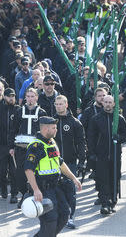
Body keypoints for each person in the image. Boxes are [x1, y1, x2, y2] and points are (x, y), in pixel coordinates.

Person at [24, 116, 82, 237]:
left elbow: (60, 163)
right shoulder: (36, 146)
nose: (56, 130)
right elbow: (28, 169)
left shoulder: (51, 142)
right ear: (45, 128)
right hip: (44, 189)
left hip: (56, 187)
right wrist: (36, 190)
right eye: (54, 128)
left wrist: (74, 178)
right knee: (50, 221)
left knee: (64, 215)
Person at [87, 95, 126, 214]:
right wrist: (92, 153)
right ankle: (105, 203)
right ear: (102, 103)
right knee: (103, 179)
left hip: (115, 154)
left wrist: (119, 137)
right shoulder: (96, 119)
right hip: (101, 155)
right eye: (106, 102)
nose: (108, 104)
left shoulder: (119, 118)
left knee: (115, 177)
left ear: (114, 104)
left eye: (110, 102)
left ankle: (113, 201)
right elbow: (91, 137)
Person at [9, 88, 47, 206]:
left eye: (32, 96)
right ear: (25, 97)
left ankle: (33, 194)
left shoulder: (42, 112)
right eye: (28, 96)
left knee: (35, 172)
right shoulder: (19, 111)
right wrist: (11, 147)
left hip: (35, 148)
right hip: (20, 148)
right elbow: (12, 130)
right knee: (20, 173)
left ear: (36, 97)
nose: (30, 99)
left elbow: (45, 132)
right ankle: (24, 194)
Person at [53, 95, 86, 229]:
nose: (58, 106)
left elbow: (81, 142)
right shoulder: (51, 122)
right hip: (53, 162)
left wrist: (82, 161)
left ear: (66, 105)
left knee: (70, 191)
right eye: (57, 104)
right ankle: (58, 216)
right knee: (56, 190)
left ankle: (70, 217)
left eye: (61, 104)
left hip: (70, 162)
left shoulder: (74, 122)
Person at [0, 88, 20, 202]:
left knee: (14, 171)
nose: (11, 98)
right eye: (9, 96)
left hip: (14, 145)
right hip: (1, 145)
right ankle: (3, 188)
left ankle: (14, 194)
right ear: (4, 97)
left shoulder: (18, 110)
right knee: (1, 171)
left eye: (13, 96)